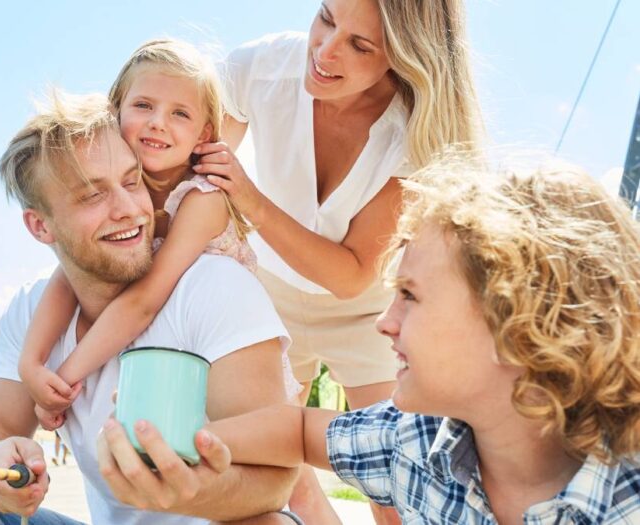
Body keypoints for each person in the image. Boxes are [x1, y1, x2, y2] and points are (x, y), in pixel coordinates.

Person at [0, 93, 301, 525]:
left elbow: (275, 480)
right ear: (40, 225)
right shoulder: (32, 311)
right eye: (92, 196)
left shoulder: (215, 287)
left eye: (131, 181)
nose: (128, 211)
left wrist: (191, 493)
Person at [205, 156, 640, 523]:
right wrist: (173, 449)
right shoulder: (415, 440)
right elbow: (298, 430)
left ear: (517, 324)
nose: (384, 323)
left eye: (409, 295)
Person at [192, 1, 481, 521]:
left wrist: (251, 201)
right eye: (326, 18)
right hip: (268, 295)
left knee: (392, 484)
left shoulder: (416, 131)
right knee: (276, 474)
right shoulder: (258, 67)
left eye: (360, 45)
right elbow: (192, 181)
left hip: (365, 312)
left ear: (402, 57)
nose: (325, 51)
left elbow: (351, 275)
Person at [18, 39, 299, 431]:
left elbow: (144, 301)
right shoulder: (129, 193)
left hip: (228, 350)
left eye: (179, 113)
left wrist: (64, 378)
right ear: (116, 109)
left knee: (277, 466)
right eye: (143, 105)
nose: (157, 122)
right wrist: (30, 364)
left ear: (203, 135)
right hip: (169, 350)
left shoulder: (203, 198)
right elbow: (68, 275)